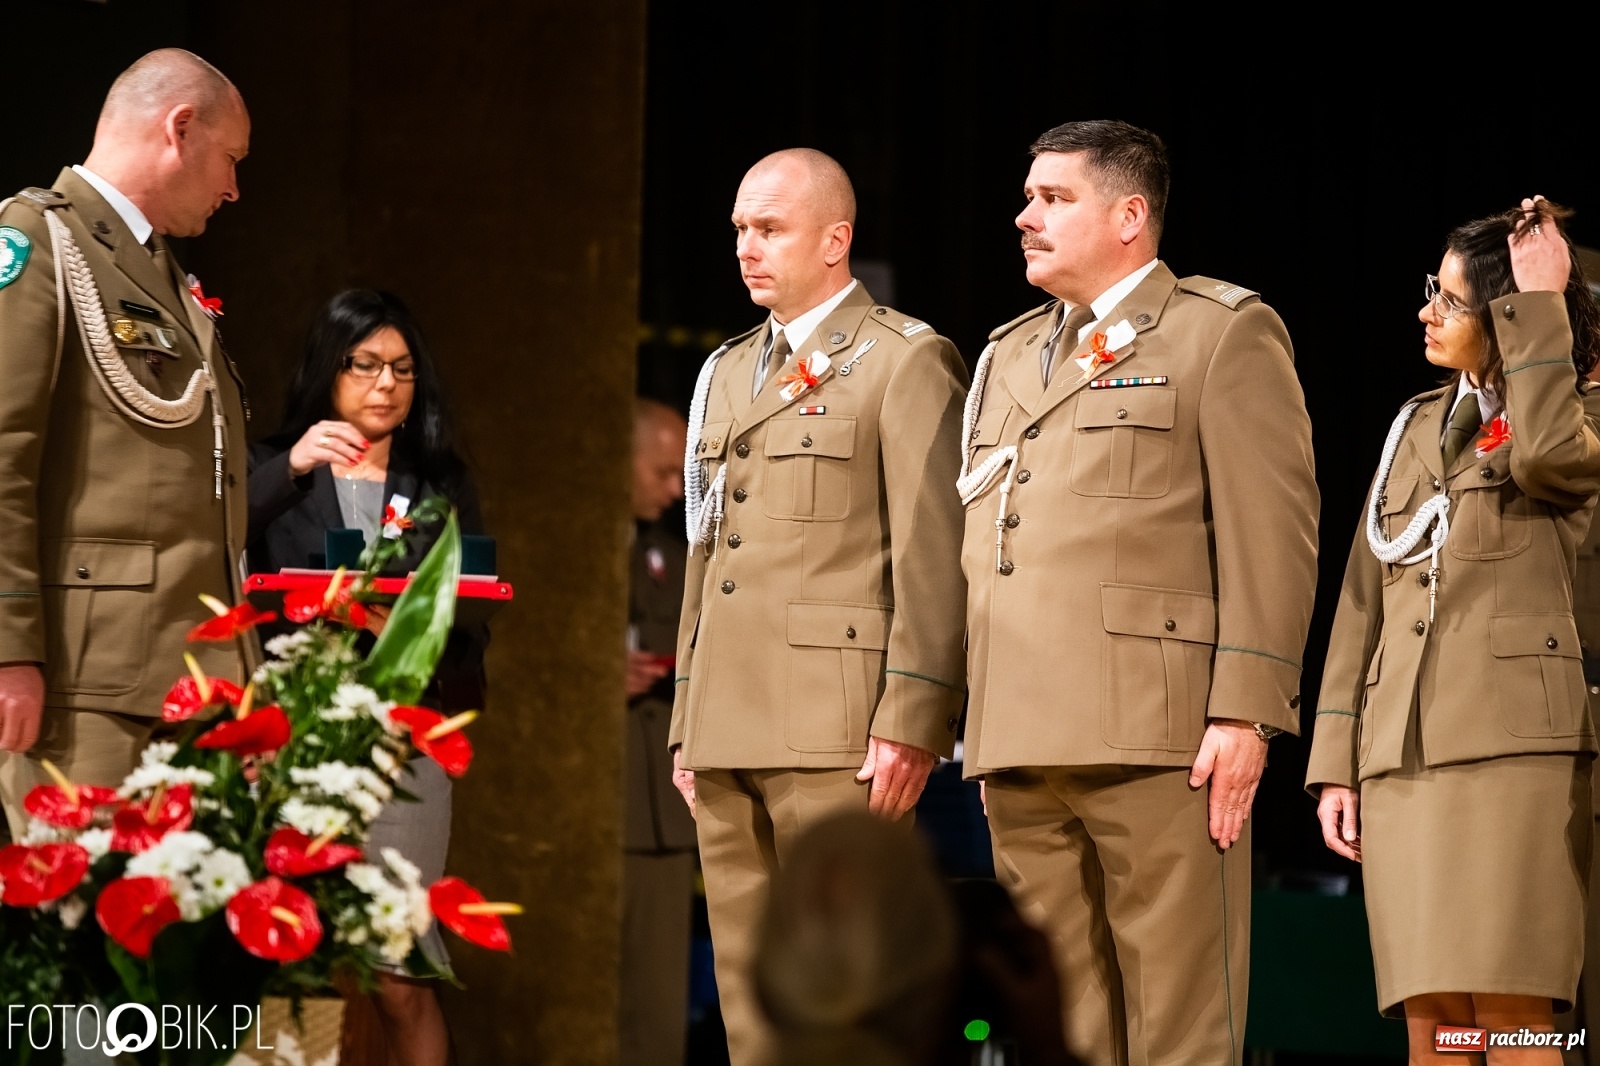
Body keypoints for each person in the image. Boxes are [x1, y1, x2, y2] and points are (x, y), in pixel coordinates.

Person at [957, 120, 1319, 1065]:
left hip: (1163, 740)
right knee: (1056, 1032)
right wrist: (984, 723)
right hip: (1023, 739)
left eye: (1053, 198)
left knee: (1179, 1034)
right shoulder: (1004, 355)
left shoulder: (1219, 331)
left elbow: (1272, 538)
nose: (1025, 216)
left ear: (1130, 215)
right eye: (1029, 197)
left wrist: (1247, 712)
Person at [670, 148, 969, 1066]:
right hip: (726, 719)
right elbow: (706, 550)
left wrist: (914, 717)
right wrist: (688, 714)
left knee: (843, 989)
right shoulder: (725, 371)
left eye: (769, 229)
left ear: (836, 240)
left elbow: (934, 557)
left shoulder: (902, 360)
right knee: (748, 993)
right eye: (739, 230)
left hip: (836, 724)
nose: (746, 248)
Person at [1308, 198, 1600, 1064]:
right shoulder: (1415, 424)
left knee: (1512, 1011)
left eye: (1451, 300)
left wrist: (1545, 306)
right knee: (1434, 1019)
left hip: (1513, 758)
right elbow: (1365, 597)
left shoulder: (1577, 412)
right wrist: (1337, 763)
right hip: (1405, 759)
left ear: (1513, 313)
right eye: (1429, 292)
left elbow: (1547, 461)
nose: (1427, 312)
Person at [0, 50, 254, 838]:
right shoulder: (37, 239)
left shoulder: (160, 274)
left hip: (186, 684)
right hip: (88, 682)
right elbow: (3, 452)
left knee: (166, 952)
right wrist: (10, 649)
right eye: (231, 158)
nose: (233, 188)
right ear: (179, 127)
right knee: (77, 941)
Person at [248, 289, 487, 1066]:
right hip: (291, 744)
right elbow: (209, 540)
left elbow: (475, 614)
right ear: (330, 369)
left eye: (403, 369)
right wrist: (291, 468)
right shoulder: (271, 467)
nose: (386, 383)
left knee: (400, 973)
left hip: (400, 755)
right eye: (367, 365)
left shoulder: (439, 486)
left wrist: (405, 627)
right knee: (292, 963)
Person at [621, 398, 698, 1066]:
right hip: (603, 794)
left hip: (660, 810)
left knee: (655, 1003)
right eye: (662, 472)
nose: (676, 490)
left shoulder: (674, 556)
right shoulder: (569, 558)